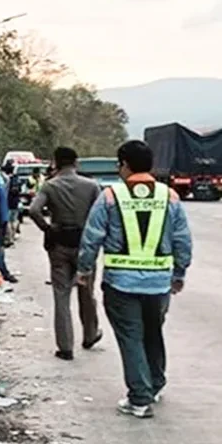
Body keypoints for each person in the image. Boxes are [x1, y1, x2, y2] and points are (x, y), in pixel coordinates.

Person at [76, 140, 193, 419]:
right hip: (159, 284)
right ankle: (154, 384)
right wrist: (179, 273)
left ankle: (139, 399)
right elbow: (182, 241)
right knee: (153, 332)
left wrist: (84, 269)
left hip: (121, 283)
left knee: (131, 337)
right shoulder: (170, 197)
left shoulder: (110, 197)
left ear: (124, 165)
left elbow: (92, 237)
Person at [27, 146, 103, 361]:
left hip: (59, 246)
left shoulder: (50, 186)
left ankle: (65, 347)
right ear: (76, 163)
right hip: (84, 245)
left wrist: (48, 229)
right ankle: (90, 334)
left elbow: (33, 210)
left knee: (61, 296)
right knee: (86, 291)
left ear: (55, 163)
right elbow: (100, 216)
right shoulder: (91, 186)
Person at [2, 162, 22, 246]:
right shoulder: (17, 178)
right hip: (16, 202)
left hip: (8, 202)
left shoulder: (6, 179)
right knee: (14, 220)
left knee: (9, 221)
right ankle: (13, 235)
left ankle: (9, 238)